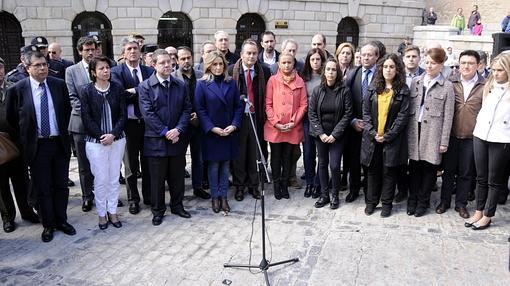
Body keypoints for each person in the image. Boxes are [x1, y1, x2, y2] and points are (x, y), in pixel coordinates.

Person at [6, 50, 74, 242]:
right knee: (43, 187)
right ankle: (48, 224)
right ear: (27, 68)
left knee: (61, 185)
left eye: (44, 64)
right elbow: (12, 119)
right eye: (37, 65)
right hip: (37, 147)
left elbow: (66, 112)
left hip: (58, 143)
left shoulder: (58, 85)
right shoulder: (17, 90)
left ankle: (61, 220)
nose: (43, 68)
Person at [138, 49, 192, 225]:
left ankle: (177, 205)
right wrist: (165, 132)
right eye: (162, 62)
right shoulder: (145, 86)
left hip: (177, 139)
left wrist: (178, 129)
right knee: (157, 179)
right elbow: (148, 113)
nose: (167, 65)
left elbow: (186, 109)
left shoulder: (180, 84)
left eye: (169, 61)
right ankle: (158, 210)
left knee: (177, 176)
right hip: (156, 141)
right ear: (153, 65)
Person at [436, 50, 485, 219]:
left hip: (472, 137)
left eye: (470, 63)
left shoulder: (484, 86)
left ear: (478, 65)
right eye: (463, 62)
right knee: (448, 171)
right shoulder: (450, 82)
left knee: (466, 173)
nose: (466, 66)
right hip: (450, 135)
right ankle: (444, 201)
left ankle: (461, 204)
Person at [407, 48, 455, 217]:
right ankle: (412, 199)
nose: (429, 66)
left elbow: (448, 116)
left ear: (441, 65)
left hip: (433, 132)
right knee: (414, 167)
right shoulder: (416, 82)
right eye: (427, 62)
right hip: (415, 129)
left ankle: (423, 201)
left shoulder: (447, 86)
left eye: (433, 63)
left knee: (429, 169)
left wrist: (444, 141)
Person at [464, 52, 510, 230]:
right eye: (494, 69)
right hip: (481, 134)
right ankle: (478, 210)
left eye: (501, 70)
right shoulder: (488, 85)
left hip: (502, 138)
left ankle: (488, 215)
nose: (496, 73)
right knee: (481, 177)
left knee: (494, 180)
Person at [361, 53, 410, 217]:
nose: (388, 70)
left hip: (392, 140)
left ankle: (387, 203)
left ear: (397, 70)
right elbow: (366, 113)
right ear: (381, 68)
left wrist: (388, 135)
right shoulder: (373, 88)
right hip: (372, 139)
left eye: (392, 67)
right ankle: (371, 202)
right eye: (385, 67)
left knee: (389, 172)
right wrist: (373, 133)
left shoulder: (403, 90)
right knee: (372, 171)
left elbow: (402, 117)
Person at [80, 55, 126, 229]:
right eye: (101, 68)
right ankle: (101, 214)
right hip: (95, 142)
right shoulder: (86, 91)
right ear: (93, 72)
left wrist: (113, 134)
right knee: (100, 179)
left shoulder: (117, 88)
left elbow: (122, 115)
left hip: (117, 140)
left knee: (114, 178)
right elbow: (87, 118)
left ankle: (112, 212)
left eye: (107, 67)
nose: (106, 71)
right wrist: (101, 136)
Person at [195, 50, 243, 213]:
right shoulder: (202, 84)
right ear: (208, 66)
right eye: (214, 64)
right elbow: (200, 109)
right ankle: (215, 197)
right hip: (212, 133)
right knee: (214, 166)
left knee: (225, 166)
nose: (217, 67)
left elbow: (238, 106)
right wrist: (212, 128)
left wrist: (234, 125)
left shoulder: (231, 83)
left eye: (220, 64)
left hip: (229, 131)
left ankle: (224, 197)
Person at [111, 36, 155, 215]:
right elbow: (120, 94)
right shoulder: (116, 72)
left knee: (148, 163)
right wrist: (141, 91)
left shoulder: (148, 71)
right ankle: (133, 199)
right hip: (128, 125)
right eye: (129, 49)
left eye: (136, 48)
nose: (133, 51)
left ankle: (149, 197)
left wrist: (136, 91)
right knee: (130, 166)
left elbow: (153, 93)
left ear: (141, 52)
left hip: (147, 124)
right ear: (123, 53)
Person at [0, 56, 39, 233]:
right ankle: (8, 217)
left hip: (17, 142)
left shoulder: (14, 88)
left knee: (22, 180)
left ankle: (27, 211)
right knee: (1, 185)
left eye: (0, 68)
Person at [229, 39, 271, 201]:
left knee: (255, 154)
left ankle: (254, 185)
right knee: (239, 155)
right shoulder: (232, 70)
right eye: (248, 53)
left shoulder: (264, 71)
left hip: (257, 116)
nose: (252, 56)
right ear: (241, 54)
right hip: (239, 118)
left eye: (254, 53)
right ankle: (239, 186)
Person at [308, 59, 352, 209]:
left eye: (334, 70)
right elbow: (312, 113)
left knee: (334, 165)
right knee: (322, 164)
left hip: (337, 136)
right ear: (324, 72)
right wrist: (320, 133)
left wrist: (334, 134)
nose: (331, 72)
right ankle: (324, 195)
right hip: (321, 135)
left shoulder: (344, 90)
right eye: (328, 69)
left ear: (337, 72)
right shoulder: (317, 90)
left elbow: (347, 114)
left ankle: (335, 195)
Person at [264, 52, 307, 200]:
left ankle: (284, 184)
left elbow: (303, 105)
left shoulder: (300, 81)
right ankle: (276, 185)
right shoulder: (272, 80)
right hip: (275, 127)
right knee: (275, 157)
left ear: (293, 64)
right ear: (279, 64)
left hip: (292, 127)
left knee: (288, 157)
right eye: (284, 63)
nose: (287, 65)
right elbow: (268, 104)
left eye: (289, 62)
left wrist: (293, 122)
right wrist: (275, 122)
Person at [172, 46, 210, 200]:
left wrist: (200, 116)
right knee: (179, 160)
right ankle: (178, 190)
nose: (186, 61)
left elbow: (208, 99)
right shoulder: (173, 77)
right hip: (181, 125)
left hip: (199, 124)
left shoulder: (202, 75)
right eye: (182, 58)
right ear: (177, 60)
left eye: (188, 57)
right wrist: (186, 117)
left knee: (199, 158)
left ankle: (198, 187)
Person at [65, 36, 97, 212]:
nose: (90, 52)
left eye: (92, 48)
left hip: (100, 125)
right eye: (86, 49)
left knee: (100, 163)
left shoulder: (103, 66)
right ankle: (87, 196)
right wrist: (89, 115)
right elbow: (72, 97)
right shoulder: (71, 71)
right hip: (80, 124)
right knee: (84, 164)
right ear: (80, 51)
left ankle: (102, 194)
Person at [344, 42, 379, 203]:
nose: (366, 57)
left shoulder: (381, 75)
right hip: (355, 126)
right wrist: (352, 121)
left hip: (374, 127)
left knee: (371, 162)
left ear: (376, 57)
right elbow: (346, 101)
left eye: (369, 55)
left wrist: (372, 125)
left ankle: (370, 192)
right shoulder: (353, 74)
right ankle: (353, 189)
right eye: (363, 54)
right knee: (353, 161)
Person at [300, 48, 326, 198]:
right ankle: (309, 181)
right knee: (308, 152)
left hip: (323, 120)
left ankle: (318, 182)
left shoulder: (325, 77)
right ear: (308, 61)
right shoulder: (303, 78)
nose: (315, 62)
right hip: (307, 120)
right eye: (312, 59)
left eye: (318, 59)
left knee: (321, 154)